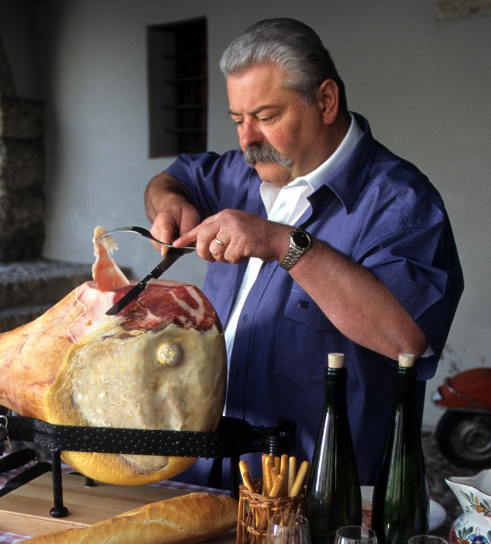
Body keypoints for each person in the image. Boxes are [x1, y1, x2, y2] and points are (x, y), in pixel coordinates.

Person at [146, 18, 464, 489]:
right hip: (203, 470)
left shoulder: (403, 203)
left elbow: (405, 339)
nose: (246, 140)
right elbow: (173, 178)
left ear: (326, 101)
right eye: (238, 120)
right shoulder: (241, 172)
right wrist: (168, 204)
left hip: (314, 495)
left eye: (267, 117)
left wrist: (283, 245)